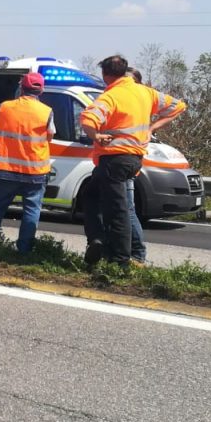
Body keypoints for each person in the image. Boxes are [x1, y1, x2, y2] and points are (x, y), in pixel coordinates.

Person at [80, 56, 185, 266]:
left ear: (106, 75)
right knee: (93, 198)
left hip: (114, 159)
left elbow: (87, 119)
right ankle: (101, 241)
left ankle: (120, 259)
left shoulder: (111, 95)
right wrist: (152, 128)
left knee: (117, 211)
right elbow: (178, 106)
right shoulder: (145, 92)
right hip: (134, 159)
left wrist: (96, 136)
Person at [0, 73, 55, 253]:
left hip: (7, 169)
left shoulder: (4, 107)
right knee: (31, 211)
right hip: (35, 171)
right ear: (41, 90)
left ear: (21, 88)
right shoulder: (46, 111)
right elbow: (50, 135)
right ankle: (24, 249)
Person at [124, 68, 149, 263]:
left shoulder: (140, 100)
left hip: (126, 163)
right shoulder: (133, 101)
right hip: (123, 162)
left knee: (127, 209)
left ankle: (137, 254)